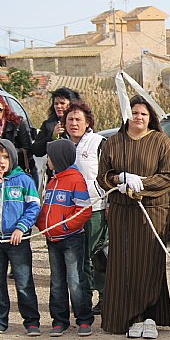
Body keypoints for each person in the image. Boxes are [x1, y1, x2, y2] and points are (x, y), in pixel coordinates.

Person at [97, 95, 170, 339]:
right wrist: (118, 180)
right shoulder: (113, 142)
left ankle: (150, 316)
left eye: (143, 113)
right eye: (134, 112)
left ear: (150, 116)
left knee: (149, 263)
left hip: (153, 211)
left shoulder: (161, 141)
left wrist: (140, 184)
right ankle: (131, 317)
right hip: (122, 212)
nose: (138, 117)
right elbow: (103, 176)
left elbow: (168, 176)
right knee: (124, 264)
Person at [37, 138, 94, 337]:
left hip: (71, 239)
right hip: (52, 240)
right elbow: (46, 209)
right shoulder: (52, 181)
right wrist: (42, 226)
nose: (48, 161)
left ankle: (84, 319)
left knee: (75, 279)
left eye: (50, 157)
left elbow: (84, 210)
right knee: (57, 281)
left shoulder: (75, 179)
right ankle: (59, 320)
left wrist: (65, 226)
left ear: (59, 158)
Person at [63, 101, 107, 315]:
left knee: (97, 254)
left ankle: (105, 297)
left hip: (95, 207)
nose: (73, 123)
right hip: (69, 210)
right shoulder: (61, 145)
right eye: (70, 119)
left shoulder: (98, 143)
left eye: (78, 119)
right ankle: (83, 300)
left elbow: (108, 176)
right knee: (78, 258)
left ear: (87, 121)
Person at [0, 140, 41, 336]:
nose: (1, 161)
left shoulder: (24, 180)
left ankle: (31, 321)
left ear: (13, 158)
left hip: (17, 240)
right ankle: (1, 321)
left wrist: (21, 229)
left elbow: (33, 207)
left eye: (5, 157)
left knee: (23, 282)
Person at [32, 87, 81, 182]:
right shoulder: (48, 124)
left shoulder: (81, 123)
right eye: (56, 104)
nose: (58, 106)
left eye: (62, 103)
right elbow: (36, 150)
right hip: (54, 177)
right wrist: (52, 136)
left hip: (77, 173)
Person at [0, 97, 36, 184]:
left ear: (5, 109)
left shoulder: (17, 124)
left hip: (16, 175)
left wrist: (7, 152)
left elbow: (27, 150)